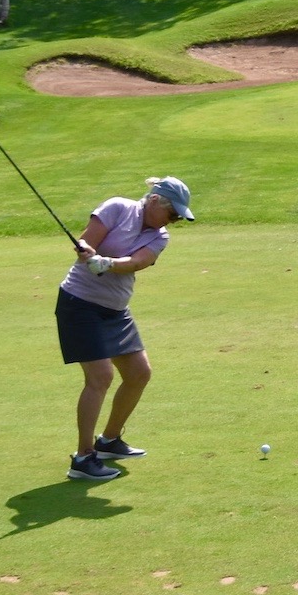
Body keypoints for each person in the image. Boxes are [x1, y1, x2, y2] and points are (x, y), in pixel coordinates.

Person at [56, 177, 194, 481]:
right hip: (79, 304)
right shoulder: (118, 207)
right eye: (173, 214)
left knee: (139, 374)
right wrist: (89, 253)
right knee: (101, 377)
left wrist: (106, 263)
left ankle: (109, 441)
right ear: (156, 200)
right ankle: (83, 458)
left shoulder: (160, 237)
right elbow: (87, 240)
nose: (173, 222)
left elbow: (136, 262)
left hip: (115, 311)